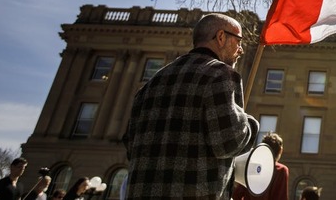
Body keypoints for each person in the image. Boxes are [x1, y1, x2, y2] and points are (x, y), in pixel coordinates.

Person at [124, 13, 260, 199]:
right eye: (238, 41)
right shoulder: (220, 74)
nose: (241, 49)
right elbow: (228, 142)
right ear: (221, 37)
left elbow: (131, 146)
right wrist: (251, 125)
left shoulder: (150, 84)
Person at [232, 132, 289, 200]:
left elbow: (237, 194)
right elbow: (281, 197)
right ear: (280, 151)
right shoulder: (281, 170)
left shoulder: (251, 166)